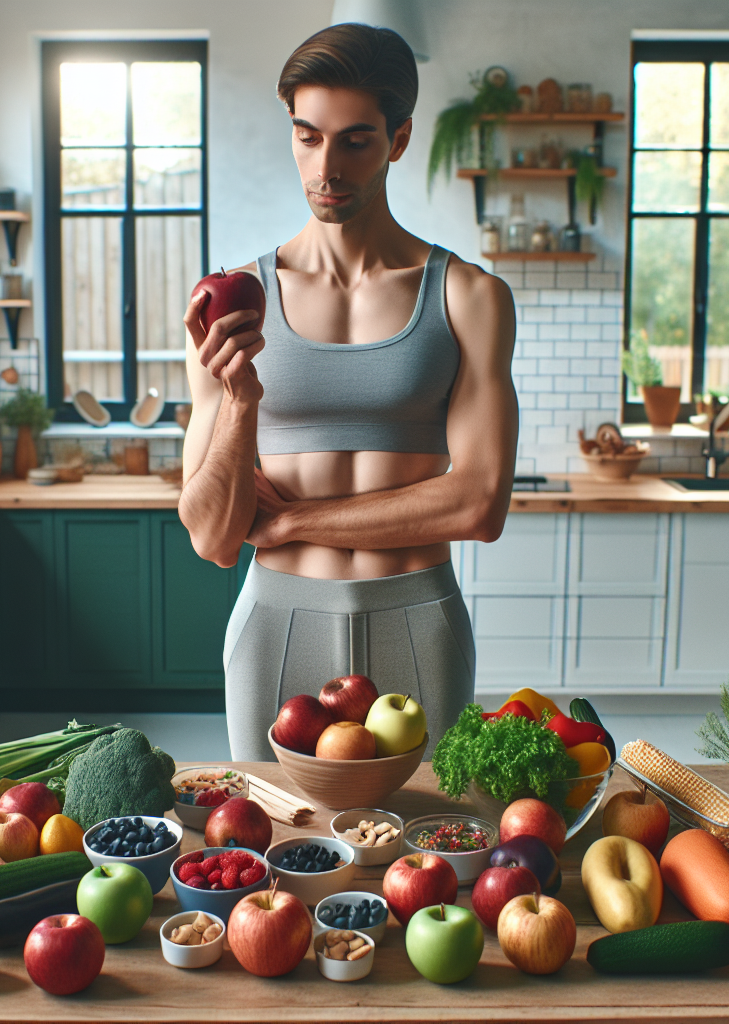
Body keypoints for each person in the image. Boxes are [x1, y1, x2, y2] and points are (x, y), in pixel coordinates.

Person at [179, 23, 518, 762]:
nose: (326, 167)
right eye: (308, 137)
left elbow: (480, 504)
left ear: (399, 139)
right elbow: (211, 537)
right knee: (273, 834)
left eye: (355, 141)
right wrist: (241, 403)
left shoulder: (468, 297)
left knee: (429, 834)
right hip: (277, 621)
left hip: (416, 613)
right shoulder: (232, 302)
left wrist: (296, 519)